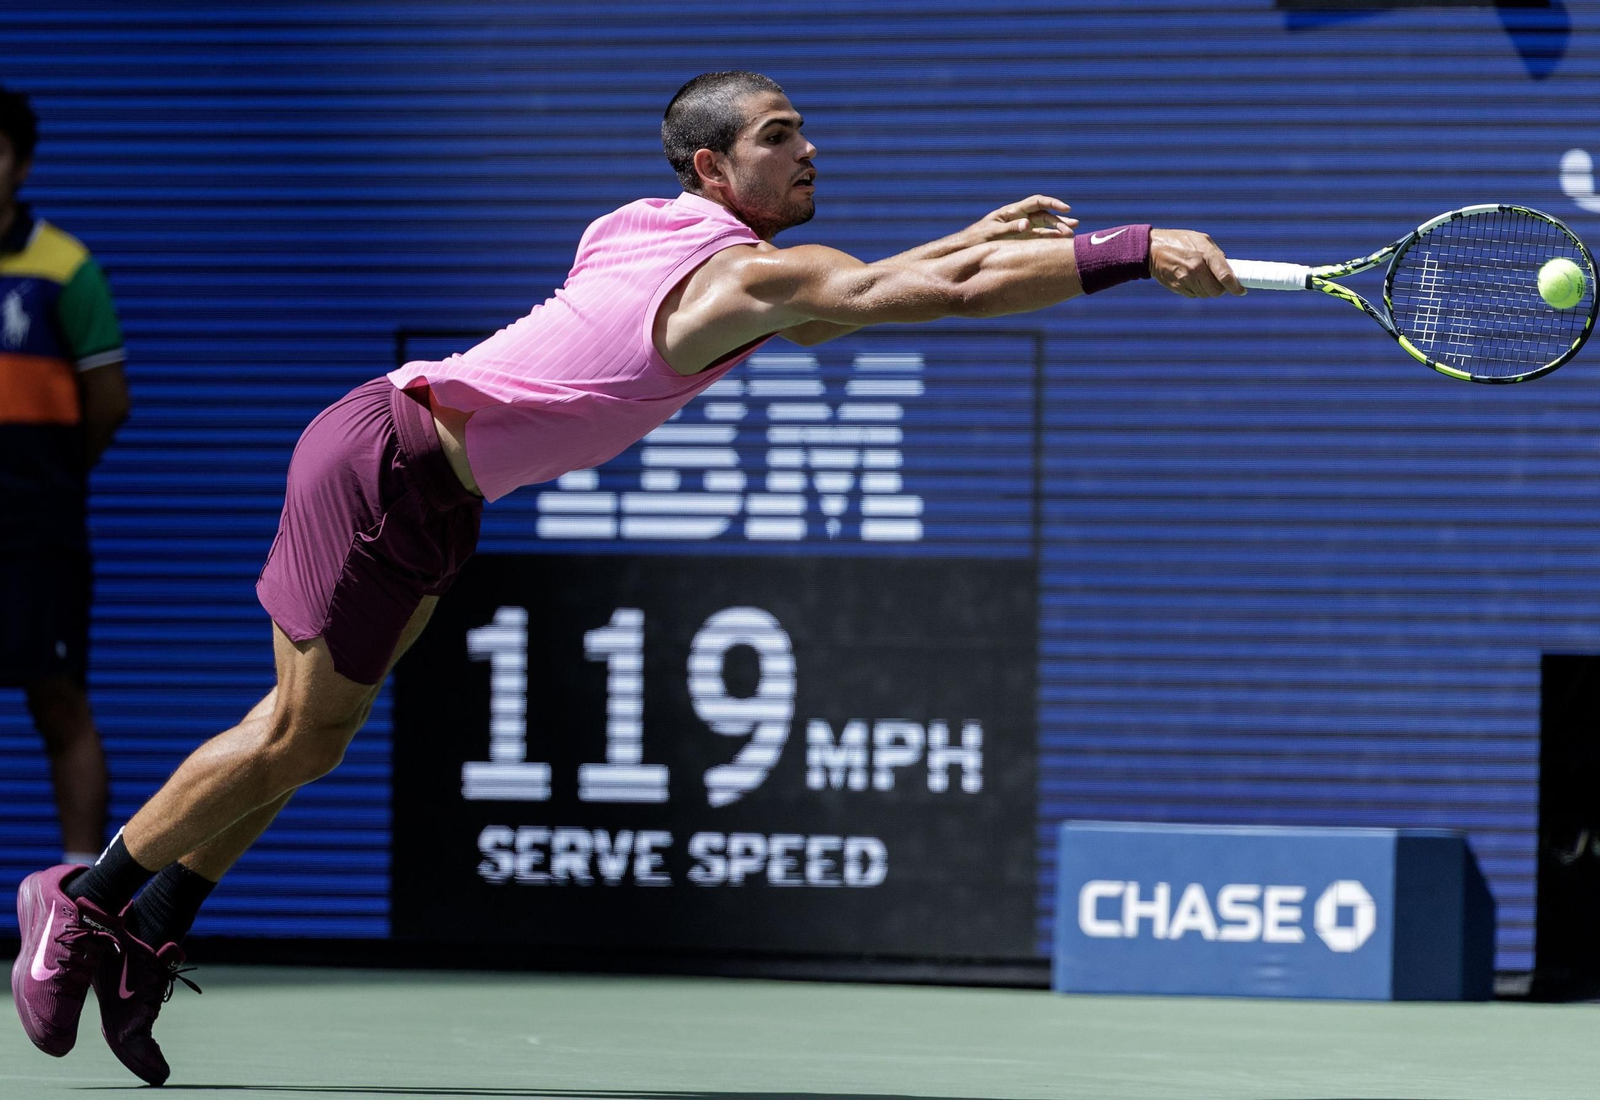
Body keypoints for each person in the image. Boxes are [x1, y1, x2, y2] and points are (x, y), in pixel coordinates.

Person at [10, 70, 1243, 1085]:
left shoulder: (648, 230)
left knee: (316, 742)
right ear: (713, 170)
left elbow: (837, 304)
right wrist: (1128, 250)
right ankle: (84, 895)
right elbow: (878, 295)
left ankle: (155, 921)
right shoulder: (742, 274)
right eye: (778, 136)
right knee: (288, 729)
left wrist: (970, 237)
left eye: (805, 127)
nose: (808, 147)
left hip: (435, 484)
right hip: (382, 462)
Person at [0, 90, 128, 876]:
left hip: (33, 530)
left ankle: (82, 892)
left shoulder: (66, 269)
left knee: (59, 702)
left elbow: (109, 403)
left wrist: (43, 476)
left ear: (21, 161)